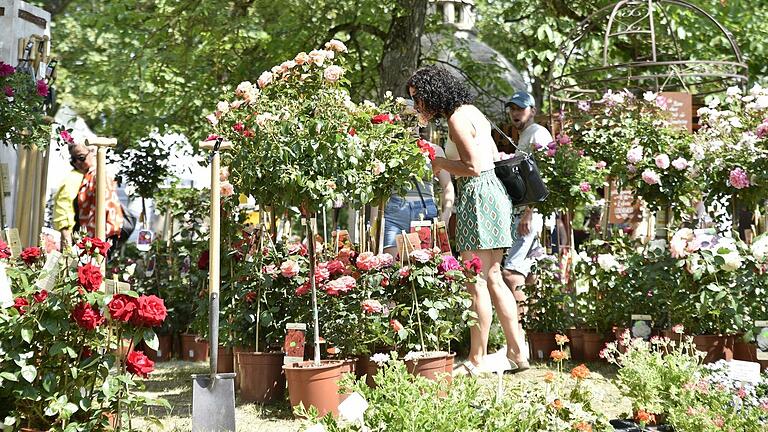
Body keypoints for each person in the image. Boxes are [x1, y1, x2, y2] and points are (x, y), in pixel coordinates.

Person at [407, 66, 527, 375]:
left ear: (433, 94)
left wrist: (436, 161)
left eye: (418, 99)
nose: (418, 106)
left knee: (476, 281)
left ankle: (476, 360)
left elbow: (473, 166)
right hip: (495, 195)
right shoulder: (471, 111)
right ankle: (517, 352)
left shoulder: (456, 119)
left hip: (478, 195)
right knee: (495, 277)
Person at [503, 91, 553, 330]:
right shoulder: (526, 135)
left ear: (532, 111)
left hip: (530, 215)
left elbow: (546, 175)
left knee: (510, 273)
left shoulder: (538, 134)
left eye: (520, 109)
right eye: (512, 108)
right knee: (529, 276)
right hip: (526, 212)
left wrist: (529, 211)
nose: (515, 113)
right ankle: (534, 329)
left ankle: (519, 333)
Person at [381, 142, 454, 259]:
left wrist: (446, 216)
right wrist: (376, 221)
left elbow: (447, 185)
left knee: (424, 267)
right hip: (396, 210)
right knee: (391, 265)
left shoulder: (435, 149)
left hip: (425, 211)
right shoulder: (390, 147)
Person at [70, 144, 125, 254]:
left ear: (93, 153)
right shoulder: (87, 176)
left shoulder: (99, 175)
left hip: (100, 238)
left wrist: (101, 240)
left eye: (81, 158)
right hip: (90, 237)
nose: (77, 163)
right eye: (73, 160)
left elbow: (109, 207)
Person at [52, 146, 85, 249]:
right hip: (75, 235)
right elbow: (63, 206)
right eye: (82, 157)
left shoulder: (88, 176)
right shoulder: (74, 179)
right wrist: (66, 232)